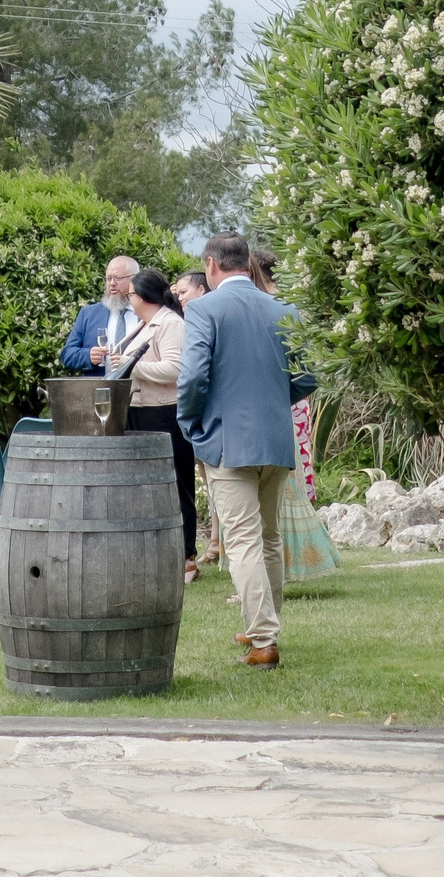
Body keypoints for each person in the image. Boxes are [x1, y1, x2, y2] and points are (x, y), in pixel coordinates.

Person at [176, 231, 315, 670]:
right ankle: (263, 625)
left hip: (227, 441)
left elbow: (194, 376)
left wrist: (190, 422)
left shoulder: (203, 309)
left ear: (212, 265)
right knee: (269, 539)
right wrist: (273, 401)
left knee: (242, 542)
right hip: (275, 439)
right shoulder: (282, 308)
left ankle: (263, 639)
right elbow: (309, 376)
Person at [250, 248, 339, 585]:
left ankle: (279, 566)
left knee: (279, 490)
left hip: (278, 404)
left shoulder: (271, 307)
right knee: (290, 485)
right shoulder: (289, 304)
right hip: (293, 401)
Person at [107, 269, 197, 580]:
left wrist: (133, 366)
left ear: (143, 297)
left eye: (130, 294)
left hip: (163, 412)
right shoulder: (144, 325)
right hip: (138, 409)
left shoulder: (170, 323)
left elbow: (176, 369)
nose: (127, 299)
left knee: (176, 483)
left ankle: (187, 556)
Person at [58, 255, 139, 375]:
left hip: (138, 389)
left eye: (118, 278)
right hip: (99, 389)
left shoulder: (146, 314)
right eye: (108, 278)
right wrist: (87, 355)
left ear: (134, 279)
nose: (112, 283)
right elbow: (66, 354)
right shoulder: (89, 314)